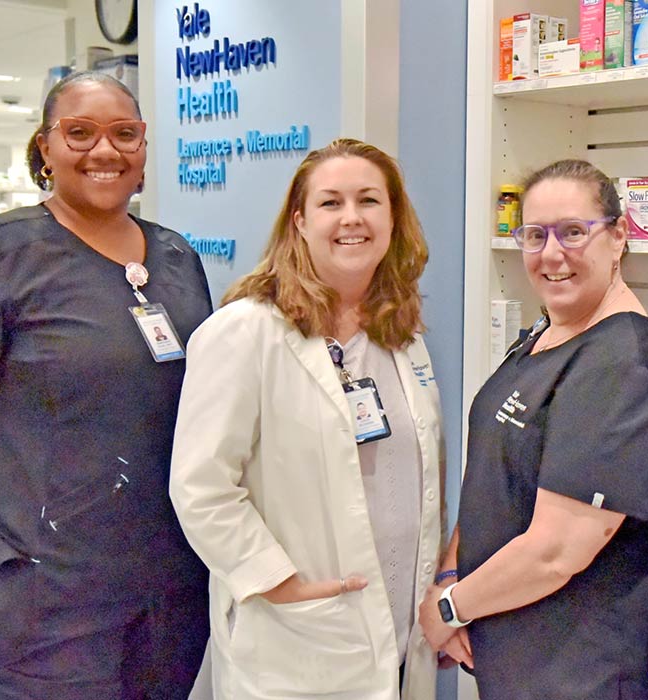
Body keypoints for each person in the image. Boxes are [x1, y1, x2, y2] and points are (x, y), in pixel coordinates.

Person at [0, 71, 212, 698]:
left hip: (169, 591)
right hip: (42, 601)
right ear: (46, 149)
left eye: (124, 134)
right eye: (80, 133)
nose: (105, 151)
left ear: (145, 147)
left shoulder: (177, 257)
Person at [169, 138, 445, 700]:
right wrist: (276, 580)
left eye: (369, 201)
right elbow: (200, 485)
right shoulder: (246, 332)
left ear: (393, 219)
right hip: (299, 633)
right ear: (299, 221)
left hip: (398, 627)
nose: (352, 218)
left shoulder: (401, 334)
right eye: (330, 203)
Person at [419, 159, 648, 699]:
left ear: (618, 237)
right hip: (515, 653)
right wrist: (451, 578)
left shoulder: (621, 365)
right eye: (535, 235)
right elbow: (492, 480)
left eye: (572, 232)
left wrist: (448, 608)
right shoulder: (547, 335)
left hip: (582, 669)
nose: (551, 254)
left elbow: (556, 551)